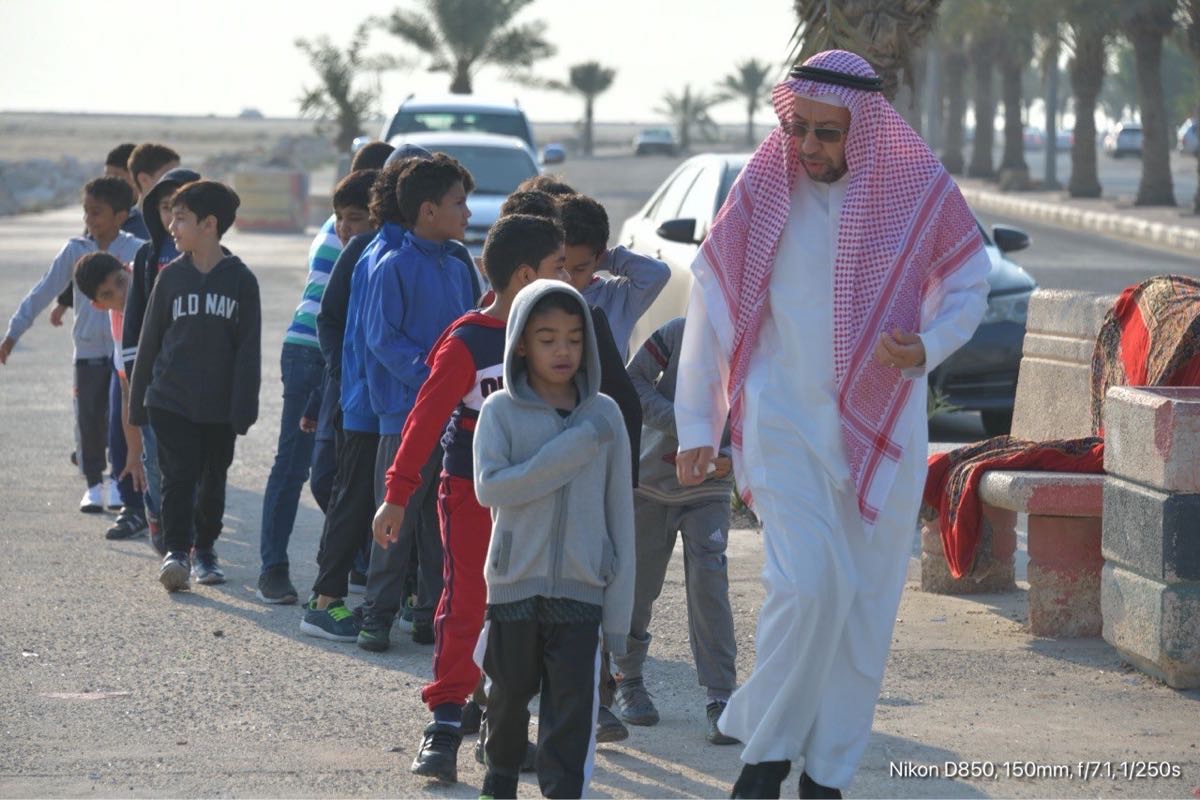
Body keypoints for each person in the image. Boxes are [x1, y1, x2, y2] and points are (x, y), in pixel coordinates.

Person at [672, 51, 991, 799]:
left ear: (863, 130)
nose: (808, 145)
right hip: (782, 419)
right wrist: (697, 425)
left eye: (827, 132)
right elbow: (711, 303)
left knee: (861, 611)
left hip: (884, 428)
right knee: (811, 586)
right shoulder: (763, 191)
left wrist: (929, 345)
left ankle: (826, 776)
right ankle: (762, 760)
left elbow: (969, 279)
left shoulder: (916, 188)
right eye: (799, 129)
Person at [371, 214, 568, 783]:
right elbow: (423, 420)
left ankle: (500, 725)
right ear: (526, 275)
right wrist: (396, 494)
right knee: (466, 605)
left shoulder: (559, 338)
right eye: (558, 267)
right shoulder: (468, 340)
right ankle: (444, 723)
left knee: (523, 614)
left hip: (538, 501)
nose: (568, 279)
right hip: (469, 495)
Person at [473, 280, 634, 800]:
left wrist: (618, 620)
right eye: (547, 339)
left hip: (582, 591)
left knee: (572, 714)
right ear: (521, 343)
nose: (563, 350)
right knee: (506, 700)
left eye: (574, 338)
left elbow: (620, 516)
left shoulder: (604, 416)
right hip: (515, 586)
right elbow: (491, 488)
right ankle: (498, 783)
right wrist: (571, 449)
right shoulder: (499, 411)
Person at [301, 150, 437, 639]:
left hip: (410, 404)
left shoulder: (436, 253)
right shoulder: (366, 246)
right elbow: (330, 319)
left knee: (411, 501)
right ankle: (325, 600)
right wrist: (345, 376)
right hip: (362, 403)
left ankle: (409, 595)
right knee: (354, 497)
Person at [255, 143, 392, 605]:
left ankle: (352, 557)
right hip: (312, 351)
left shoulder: (360, 232)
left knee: (340, 469)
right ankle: (274, 567)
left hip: (343, 357)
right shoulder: (357, 234)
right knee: (298, 464)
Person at [358, 154, 476, 646]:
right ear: (428, 211)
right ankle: (376, 617)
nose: (468, 213)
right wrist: (435, 381)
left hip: (454, 418)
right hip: (404, 416)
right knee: (395, 518)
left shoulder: (459, 267)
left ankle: (430, 613)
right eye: (458, 203)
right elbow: (382, 339)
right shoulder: (393, 266)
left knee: (439, 520)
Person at [129, 180, 261, 593]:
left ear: (209, 224)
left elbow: (248, 350)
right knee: (178, 477)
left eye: (181, 218)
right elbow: (149, 342)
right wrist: (138, 403)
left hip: (220, 407)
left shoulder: (241, 280)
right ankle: (176, 553)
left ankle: (205, 550)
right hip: (170, 400)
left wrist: (244, 405)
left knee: (212, 480)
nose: (171, 226)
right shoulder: (170, 278)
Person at [613, 315, 739, 745]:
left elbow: (768, 413)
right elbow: (632, 382)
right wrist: (689, 425)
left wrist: (730, 453)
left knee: (709, 583)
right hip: (651, 483)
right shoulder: (679, 332)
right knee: (637, 585)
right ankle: (627, 677)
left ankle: (721, 696)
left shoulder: (759, 344)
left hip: (710, 487)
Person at [1, 177, 144, 512]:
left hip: (127, 352)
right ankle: (94, 483)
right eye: (86, 211)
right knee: (88, 418)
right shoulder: (75, 250)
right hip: (89, 350)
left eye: (97, 212)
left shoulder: (138, 250)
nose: (88, 219)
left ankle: (121, 481)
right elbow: (43, 291)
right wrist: (12, 334)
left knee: (120, 419)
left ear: (120, 216)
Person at [123, 166, 201, 554]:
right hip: (156, 382)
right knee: (156, 463)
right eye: (165, 206)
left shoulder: (217, 260)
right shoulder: (147, 256)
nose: (172, 216)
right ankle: (157, 514)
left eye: (180, 207)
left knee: (197, 466)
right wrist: (134, 377)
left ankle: (188, 540)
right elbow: (133, 323)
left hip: (201, 383)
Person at [73, 252, 149, 540]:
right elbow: (129, 391)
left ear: (127, 269)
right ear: (98, 304)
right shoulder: (117, 320)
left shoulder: (151, 279)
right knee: (120, 427)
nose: (121, 294)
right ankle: (134, 507)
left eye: (120, 282)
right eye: (108, 294)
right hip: (137, 372)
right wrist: (134, 453)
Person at [558, 193, 670, 359]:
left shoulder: (617, 297)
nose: (567, 278)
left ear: (598, 257)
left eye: (580, 268)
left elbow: (658, 273)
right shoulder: (537, 293)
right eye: (559, 267)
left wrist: (608, 259)